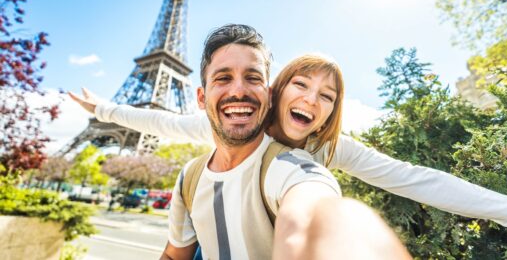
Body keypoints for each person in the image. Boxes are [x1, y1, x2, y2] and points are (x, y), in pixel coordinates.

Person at [72, 24, 412, 259]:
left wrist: (334, 228)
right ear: (201, 97)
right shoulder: (190, 177)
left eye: (252, 77)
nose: (238, 90)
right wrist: (104, 109)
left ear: (268, 93)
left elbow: (318, 206)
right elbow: (159, 121)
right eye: (224, 78)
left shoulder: (296, 167)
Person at [70, 51, 507, 230]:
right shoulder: (236, 122)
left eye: (327, 96)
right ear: (278, 90)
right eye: (301, 85)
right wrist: (103, 111)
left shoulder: (330, 147)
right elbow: (161, 122)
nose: (311, 100)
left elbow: (416, 180)